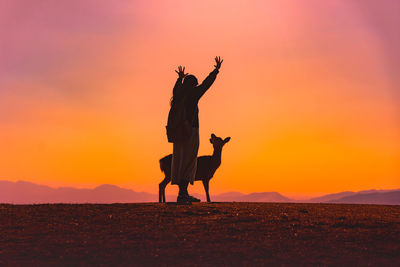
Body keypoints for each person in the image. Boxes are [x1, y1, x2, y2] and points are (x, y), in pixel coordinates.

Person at [169, 56, 223, 203]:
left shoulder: (178, 95)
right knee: (189, 161)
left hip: (178, 134)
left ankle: (182, 193)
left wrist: (179, 78)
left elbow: (176, 89)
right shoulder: (193, 94)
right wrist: (216, 71)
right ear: (194, 85)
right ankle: (183, 194)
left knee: (179, 160)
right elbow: (206, 84)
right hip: (190, 131)